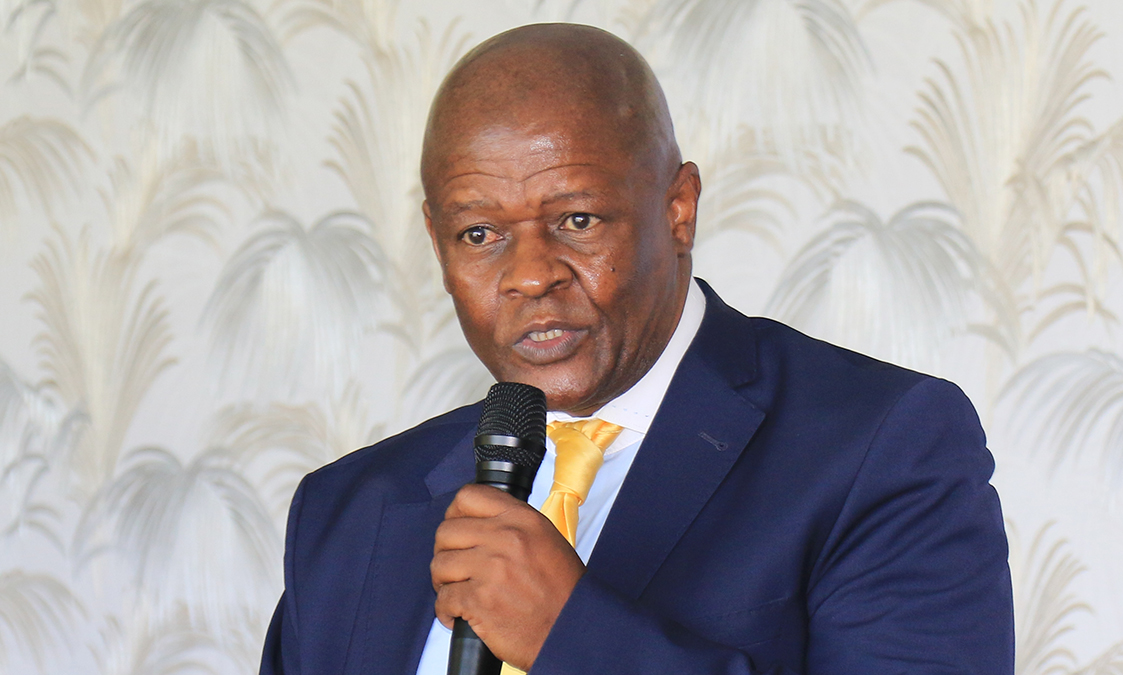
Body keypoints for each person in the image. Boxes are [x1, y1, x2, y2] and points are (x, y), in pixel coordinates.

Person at [259, 23, 1014, 675]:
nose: (530, 275)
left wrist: (570, 636)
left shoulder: (883, 449)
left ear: (678, 209)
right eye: (479, 233)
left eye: (577, 220)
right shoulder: (347, 512)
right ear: (436, 241)